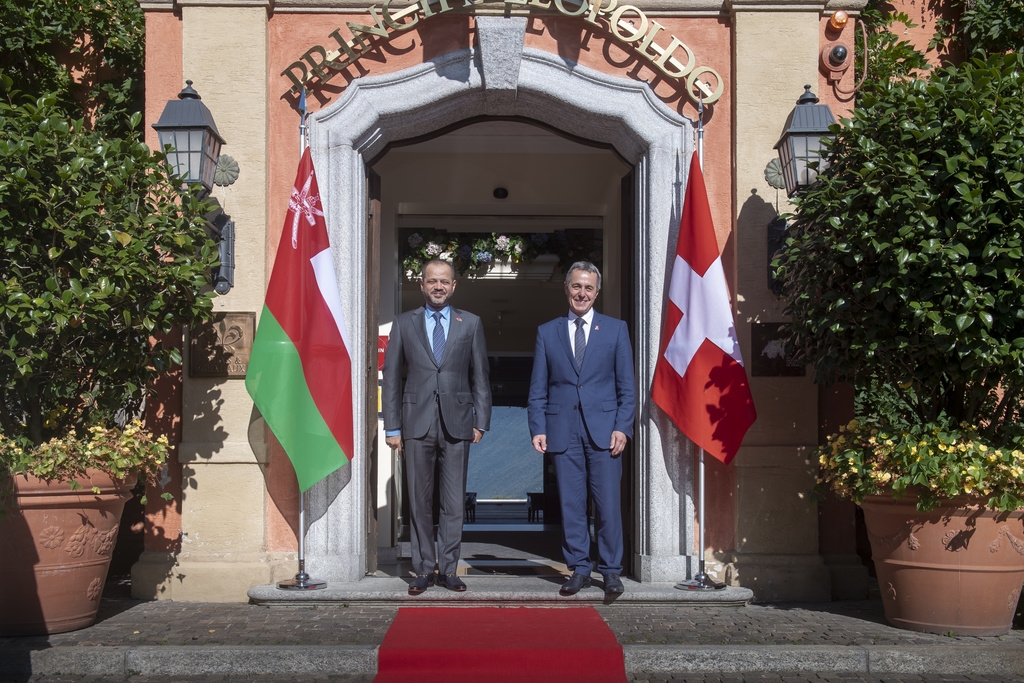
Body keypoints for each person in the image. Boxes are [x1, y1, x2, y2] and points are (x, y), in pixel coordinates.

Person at [381, 259, 492, 595]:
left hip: (458, 424)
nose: (439, 287)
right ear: (422, 284)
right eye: (432, 281)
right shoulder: (403, 323)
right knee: (419, 499)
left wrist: (482, 421)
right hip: (415, 424)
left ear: (454, 285)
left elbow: (480, 377)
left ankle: (448, 569)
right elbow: (391, 381)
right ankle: (422, 570)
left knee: (453, 501)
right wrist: (392, 427)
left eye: (444, 281)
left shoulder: (470, 324)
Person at [527, 261, 636, 596]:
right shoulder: (548, 332)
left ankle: (611, 571)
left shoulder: (615, 330)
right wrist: (538, 427)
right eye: (576, 286)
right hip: (562, 431)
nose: (582, 293)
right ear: (566, 289)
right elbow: (538, 388)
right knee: (571, 505)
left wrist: (623, 427)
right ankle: (579, 569)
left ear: (597, 292)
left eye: (588, 288)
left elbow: (627, 387)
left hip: (605, 432)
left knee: (607, 506)